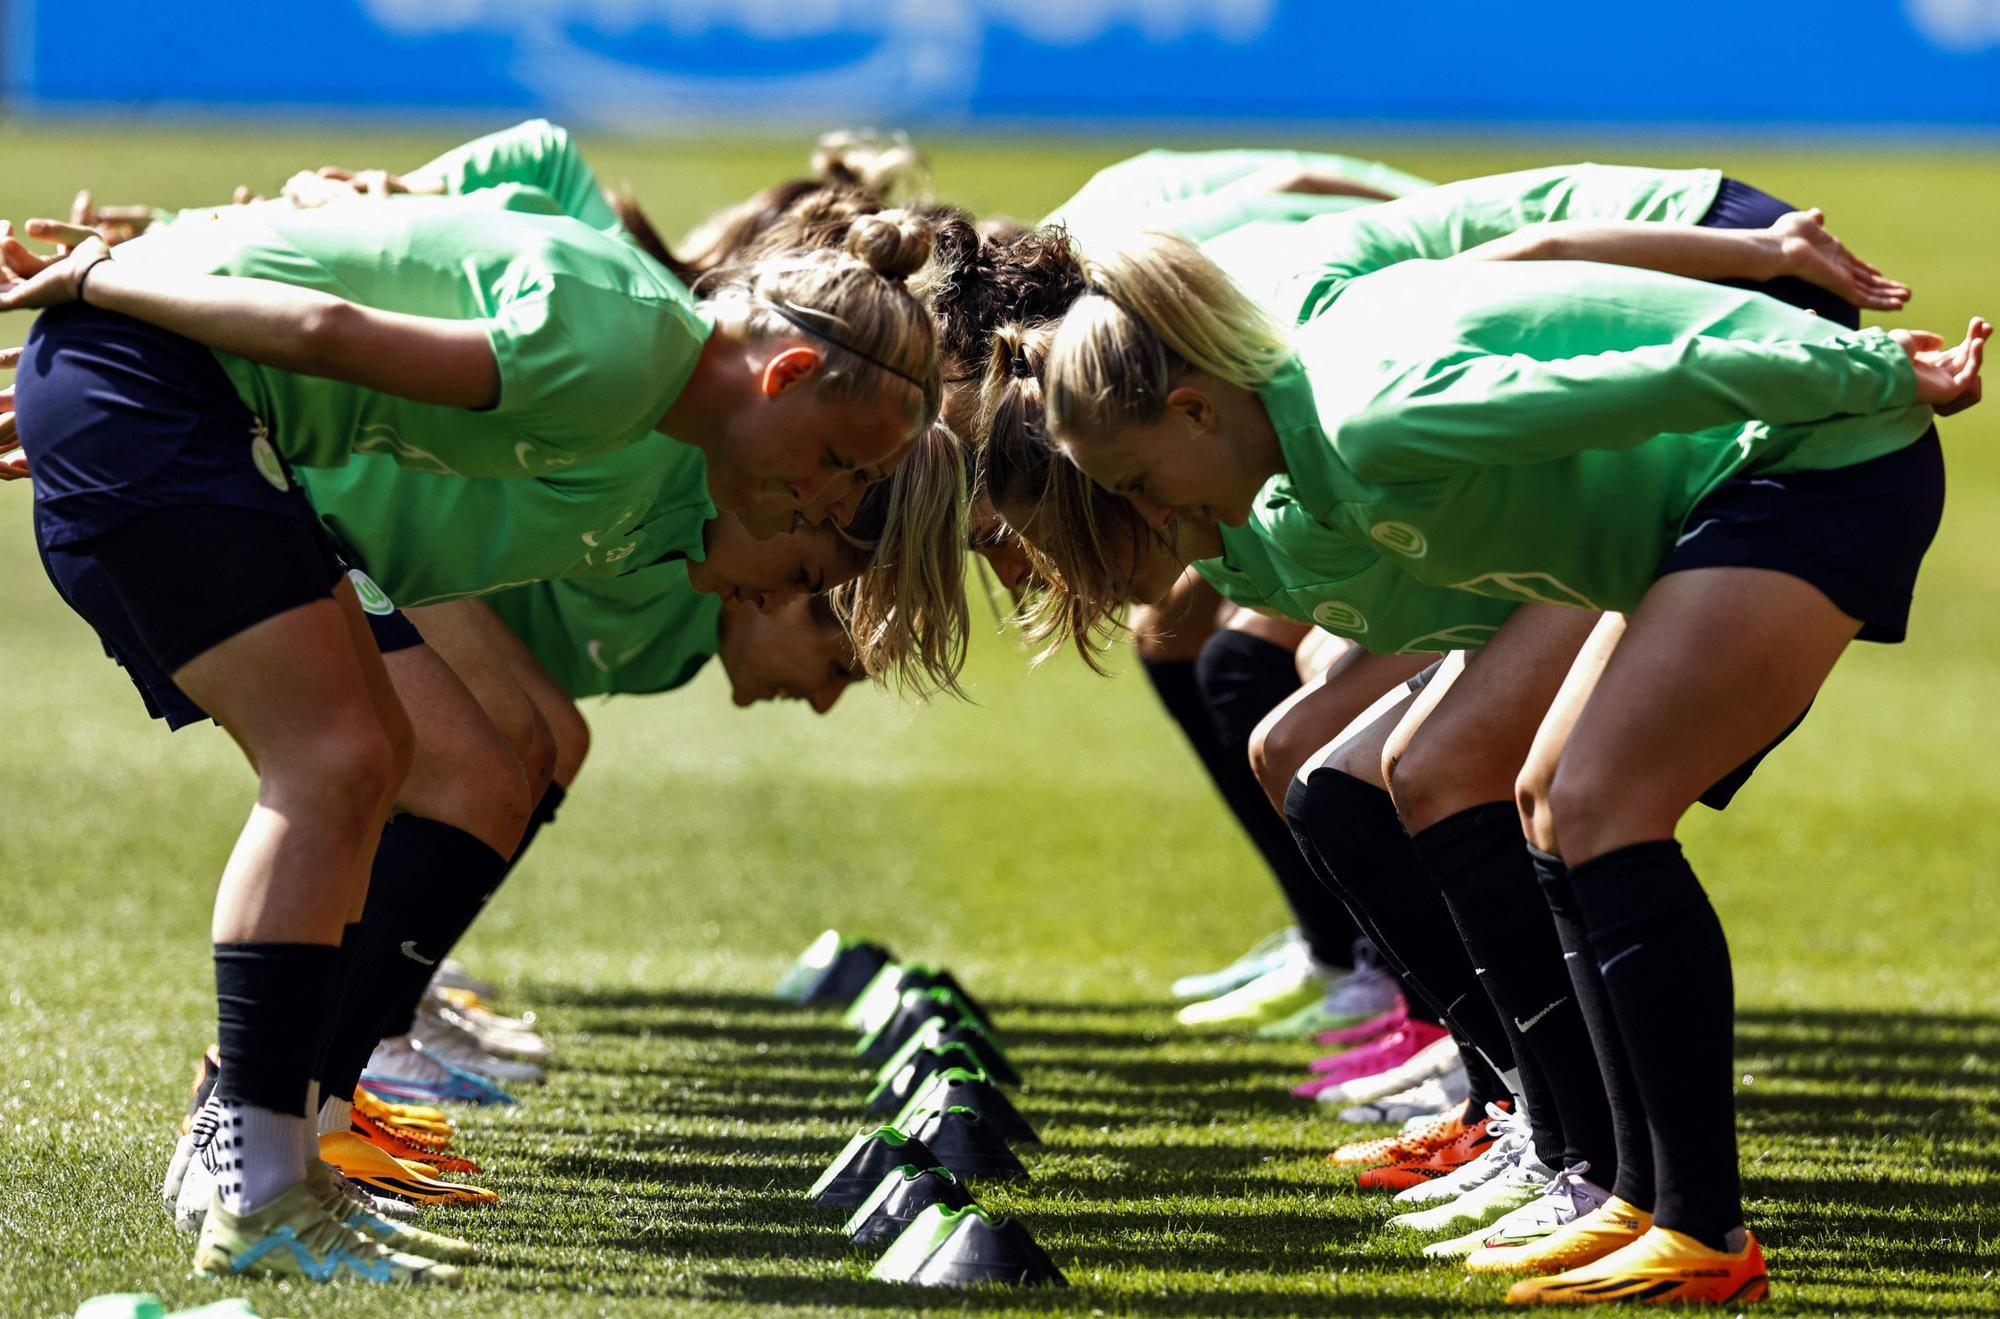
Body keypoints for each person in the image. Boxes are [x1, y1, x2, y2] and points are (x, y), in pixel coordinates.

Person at [2, 183, 943, 1285]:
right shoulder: (629, 355)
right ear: (783, 375)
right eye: (837, 466)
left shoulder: (649, 390)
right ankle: (257, 1177)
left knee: (394, 760)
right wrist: (100, 283)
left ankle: (268, 1157)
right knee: (344, 759)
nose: (818, 498)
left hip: (186, 400)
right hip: (162, 386)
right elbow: (325, 329)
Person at [1037, 224, 1984, 1305]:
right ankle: (1635, 1200)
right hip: (1721, 490)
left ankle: (1702, 1233)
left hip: (1809, 458)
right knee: (1545, 801)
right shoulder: (1311, 438)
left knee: (1599, 803)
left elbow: (1643, 381)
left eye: (1137, 479)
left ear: (1193, 409)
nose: (1151, 514)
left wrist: (1871, 369)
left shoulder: (1364, 416)